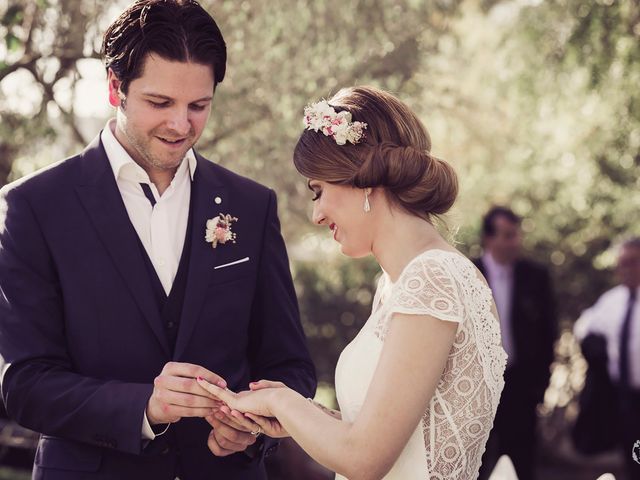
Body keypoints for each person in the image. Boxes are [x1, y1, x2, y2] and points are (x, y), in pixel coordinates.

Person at [0, 1, 316, 478]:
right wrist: (144, 405)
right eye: (160, 103)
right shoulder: (33, 207)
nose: (180, 125)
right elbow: (24, 384)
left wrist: (256, 424)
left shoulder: (251, 206)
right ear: (114, 88)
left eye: (199, 106)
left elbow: (290, 366)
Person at [196, 86, 507, 479]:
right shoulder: (400, 284)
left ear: (364, 180)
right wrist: (298, 414)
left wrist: (281, 402)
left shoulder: (432, 278)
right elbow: (399, 434)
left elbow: (365, 459)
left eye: (319, 191)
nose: (318, 215)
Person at [474, 207, 557, 480]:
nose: (515, 241)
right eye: (508, 235)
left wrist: (541, 384)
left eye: (516, 234)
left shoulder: (535, 276)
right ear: (489, 238)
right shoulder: (470, 272)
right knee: (477, 462)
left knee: (522, 460)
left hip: (521, 385)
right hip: (478, 386)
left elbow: (548, 332)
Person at [574, 238, 640, 479]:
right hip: (625, 399)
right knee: (633, 459)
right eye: (622, 264)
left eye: (633, 262)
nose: (626, 269)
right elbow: (584, 325)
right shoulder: (612, 301)